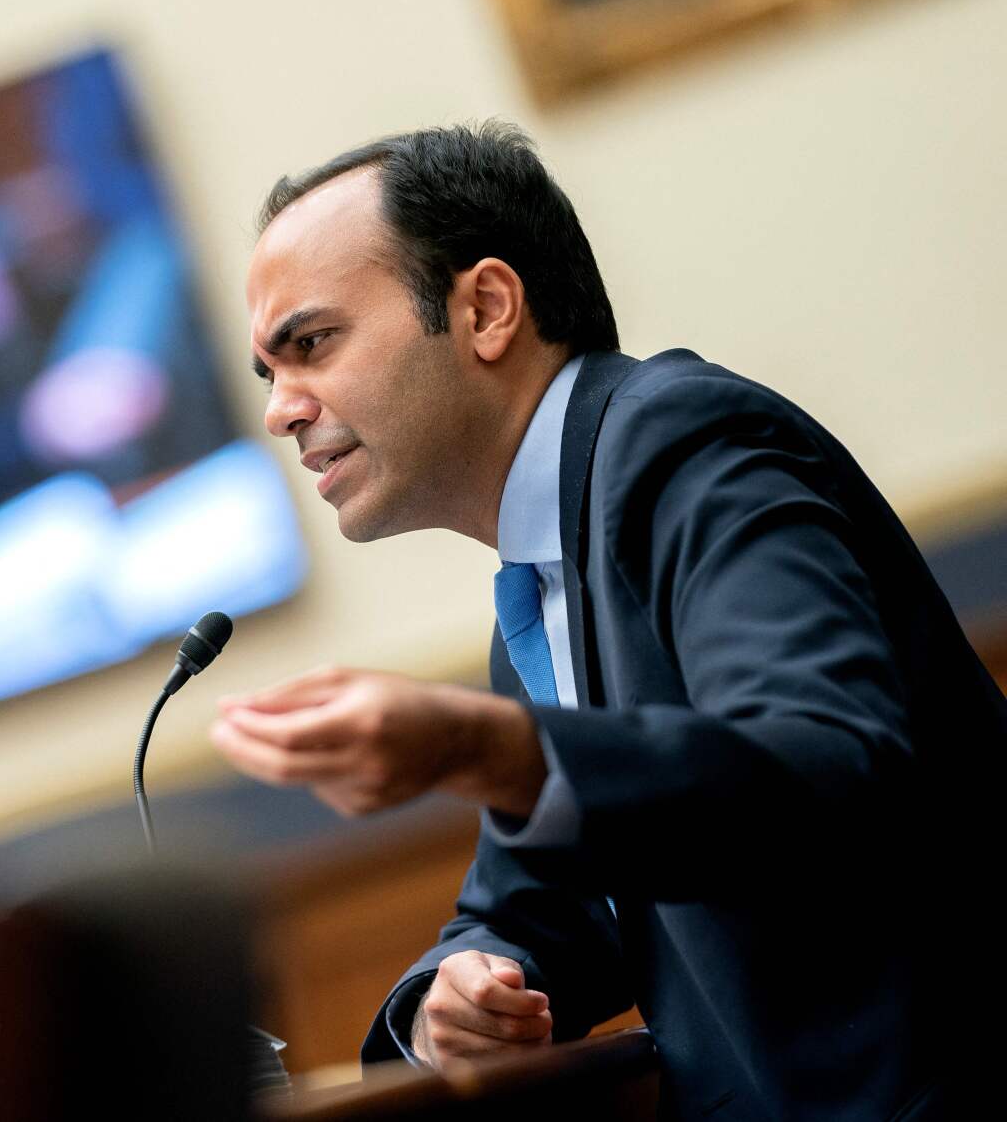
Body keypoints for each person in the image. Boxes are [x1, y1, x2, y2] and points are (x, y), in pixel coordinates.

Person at [211, 122, 1003, 1121]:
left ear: (484, 309)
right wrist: (455, 995)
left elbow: (821, 763)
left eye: (310, 344)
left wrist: (478, 743)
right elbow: (547, 898)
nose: (281, 410)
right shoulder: (539, 585)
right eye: (266, 374)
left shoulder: (686, 445)